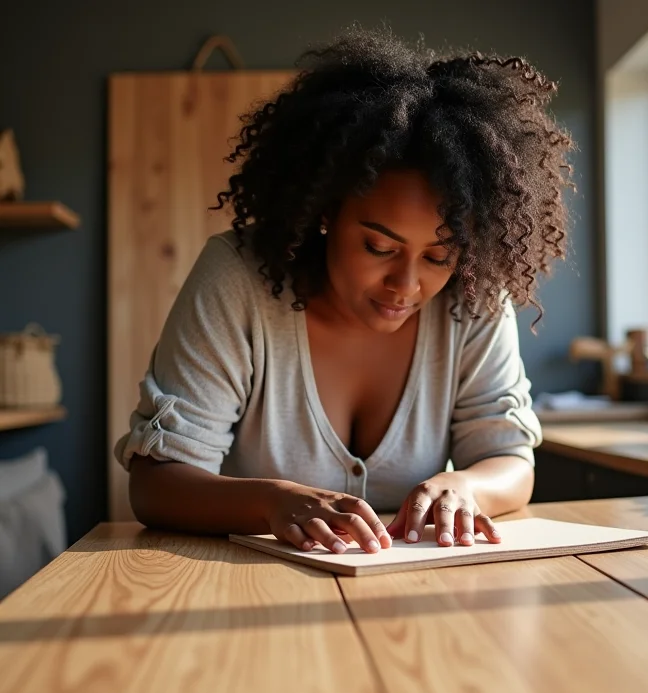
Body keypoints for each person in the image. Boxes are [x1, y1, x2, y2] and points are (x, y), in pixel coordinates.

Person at [114, 25, 573, 556]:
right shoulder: (237, 279)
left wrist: (466, 485)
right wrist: (271, 500)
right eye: (380, 247)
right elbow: (155, 485)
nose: (406, 285)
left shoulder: (473, 297)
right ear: (327, 213)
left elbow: (512, 463)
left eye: (437, 256)